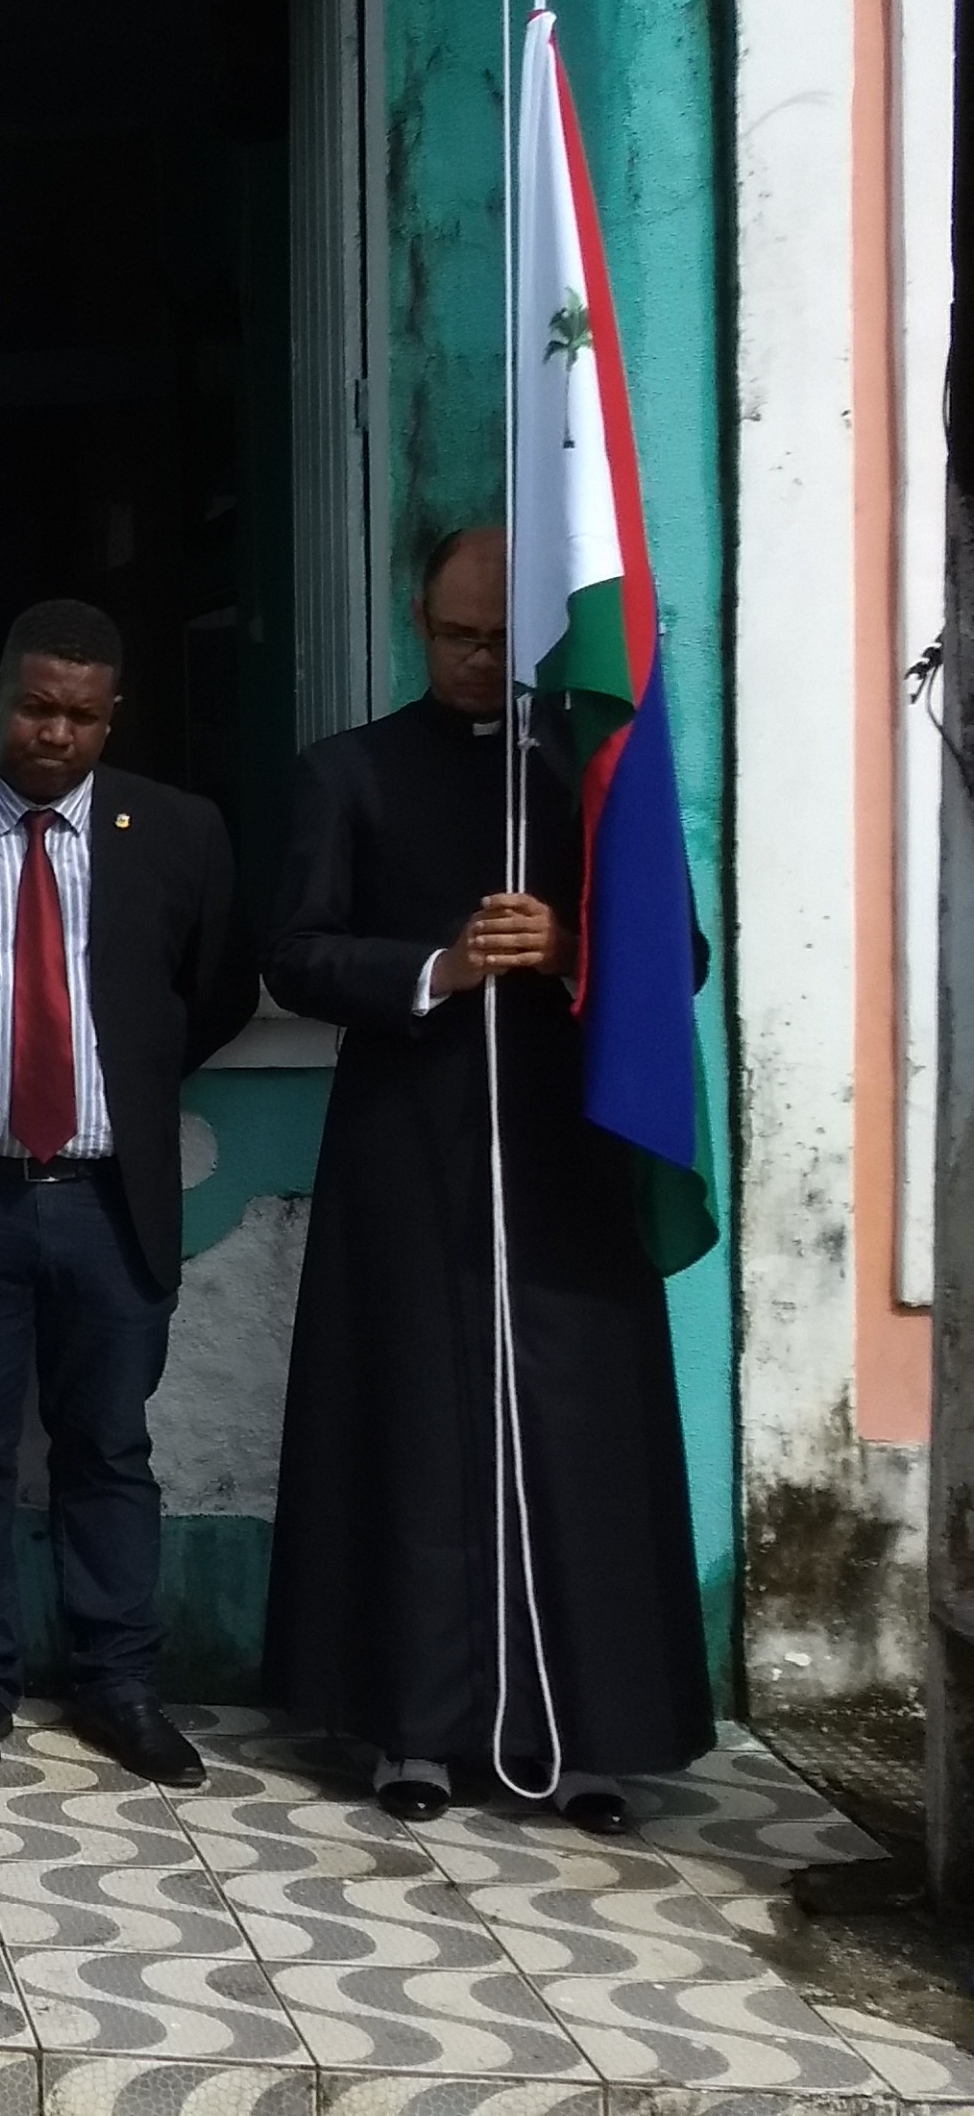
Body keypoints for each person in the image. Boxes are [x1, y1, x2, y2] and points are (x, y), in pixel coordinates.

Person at [263, 527, 712, 1832]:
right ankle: (408, 1725)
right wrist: (439, 967)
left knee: (579, 1436)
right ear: (418, 621)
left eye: (497, 639)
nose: (473, 658)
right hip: (409, 1151)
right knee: (416, 1422)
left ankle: (588, 1736)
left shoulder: (593, 772)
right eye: (454, 635)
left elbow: (676, 954)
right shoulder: (347, 771)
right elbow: (294, 953)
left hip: (568, 1152)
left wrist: (572, 943)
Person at [0, 603, 251, 1789]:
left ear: (110, 718)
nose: (53, 734)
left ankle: (118, 1681)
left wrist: (124, 1082)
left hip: (109, 1195)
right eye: (33, 708)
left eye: (79, 716)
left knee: (108, 1445)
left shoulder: (175, 831)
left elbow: (217, 989)